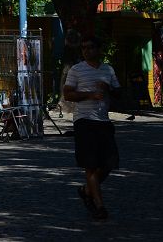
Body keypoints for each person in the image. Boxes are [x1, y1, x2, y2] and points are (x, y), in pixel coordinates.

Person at [63, 36, 121, 221]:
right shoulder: (76, 70)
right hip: (84, 121)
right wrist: (89, 95)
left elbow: (119, 94)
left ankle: (87, 190)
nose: (87, 51)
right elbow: (68, 94)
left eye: (90, 47)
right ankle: (99, 206)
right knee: (90, 165)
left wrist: (109, 89)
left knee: (109, 163)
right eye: (84, 48)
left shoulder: (108, 69)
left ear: (99, 49)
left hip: (103, 121)